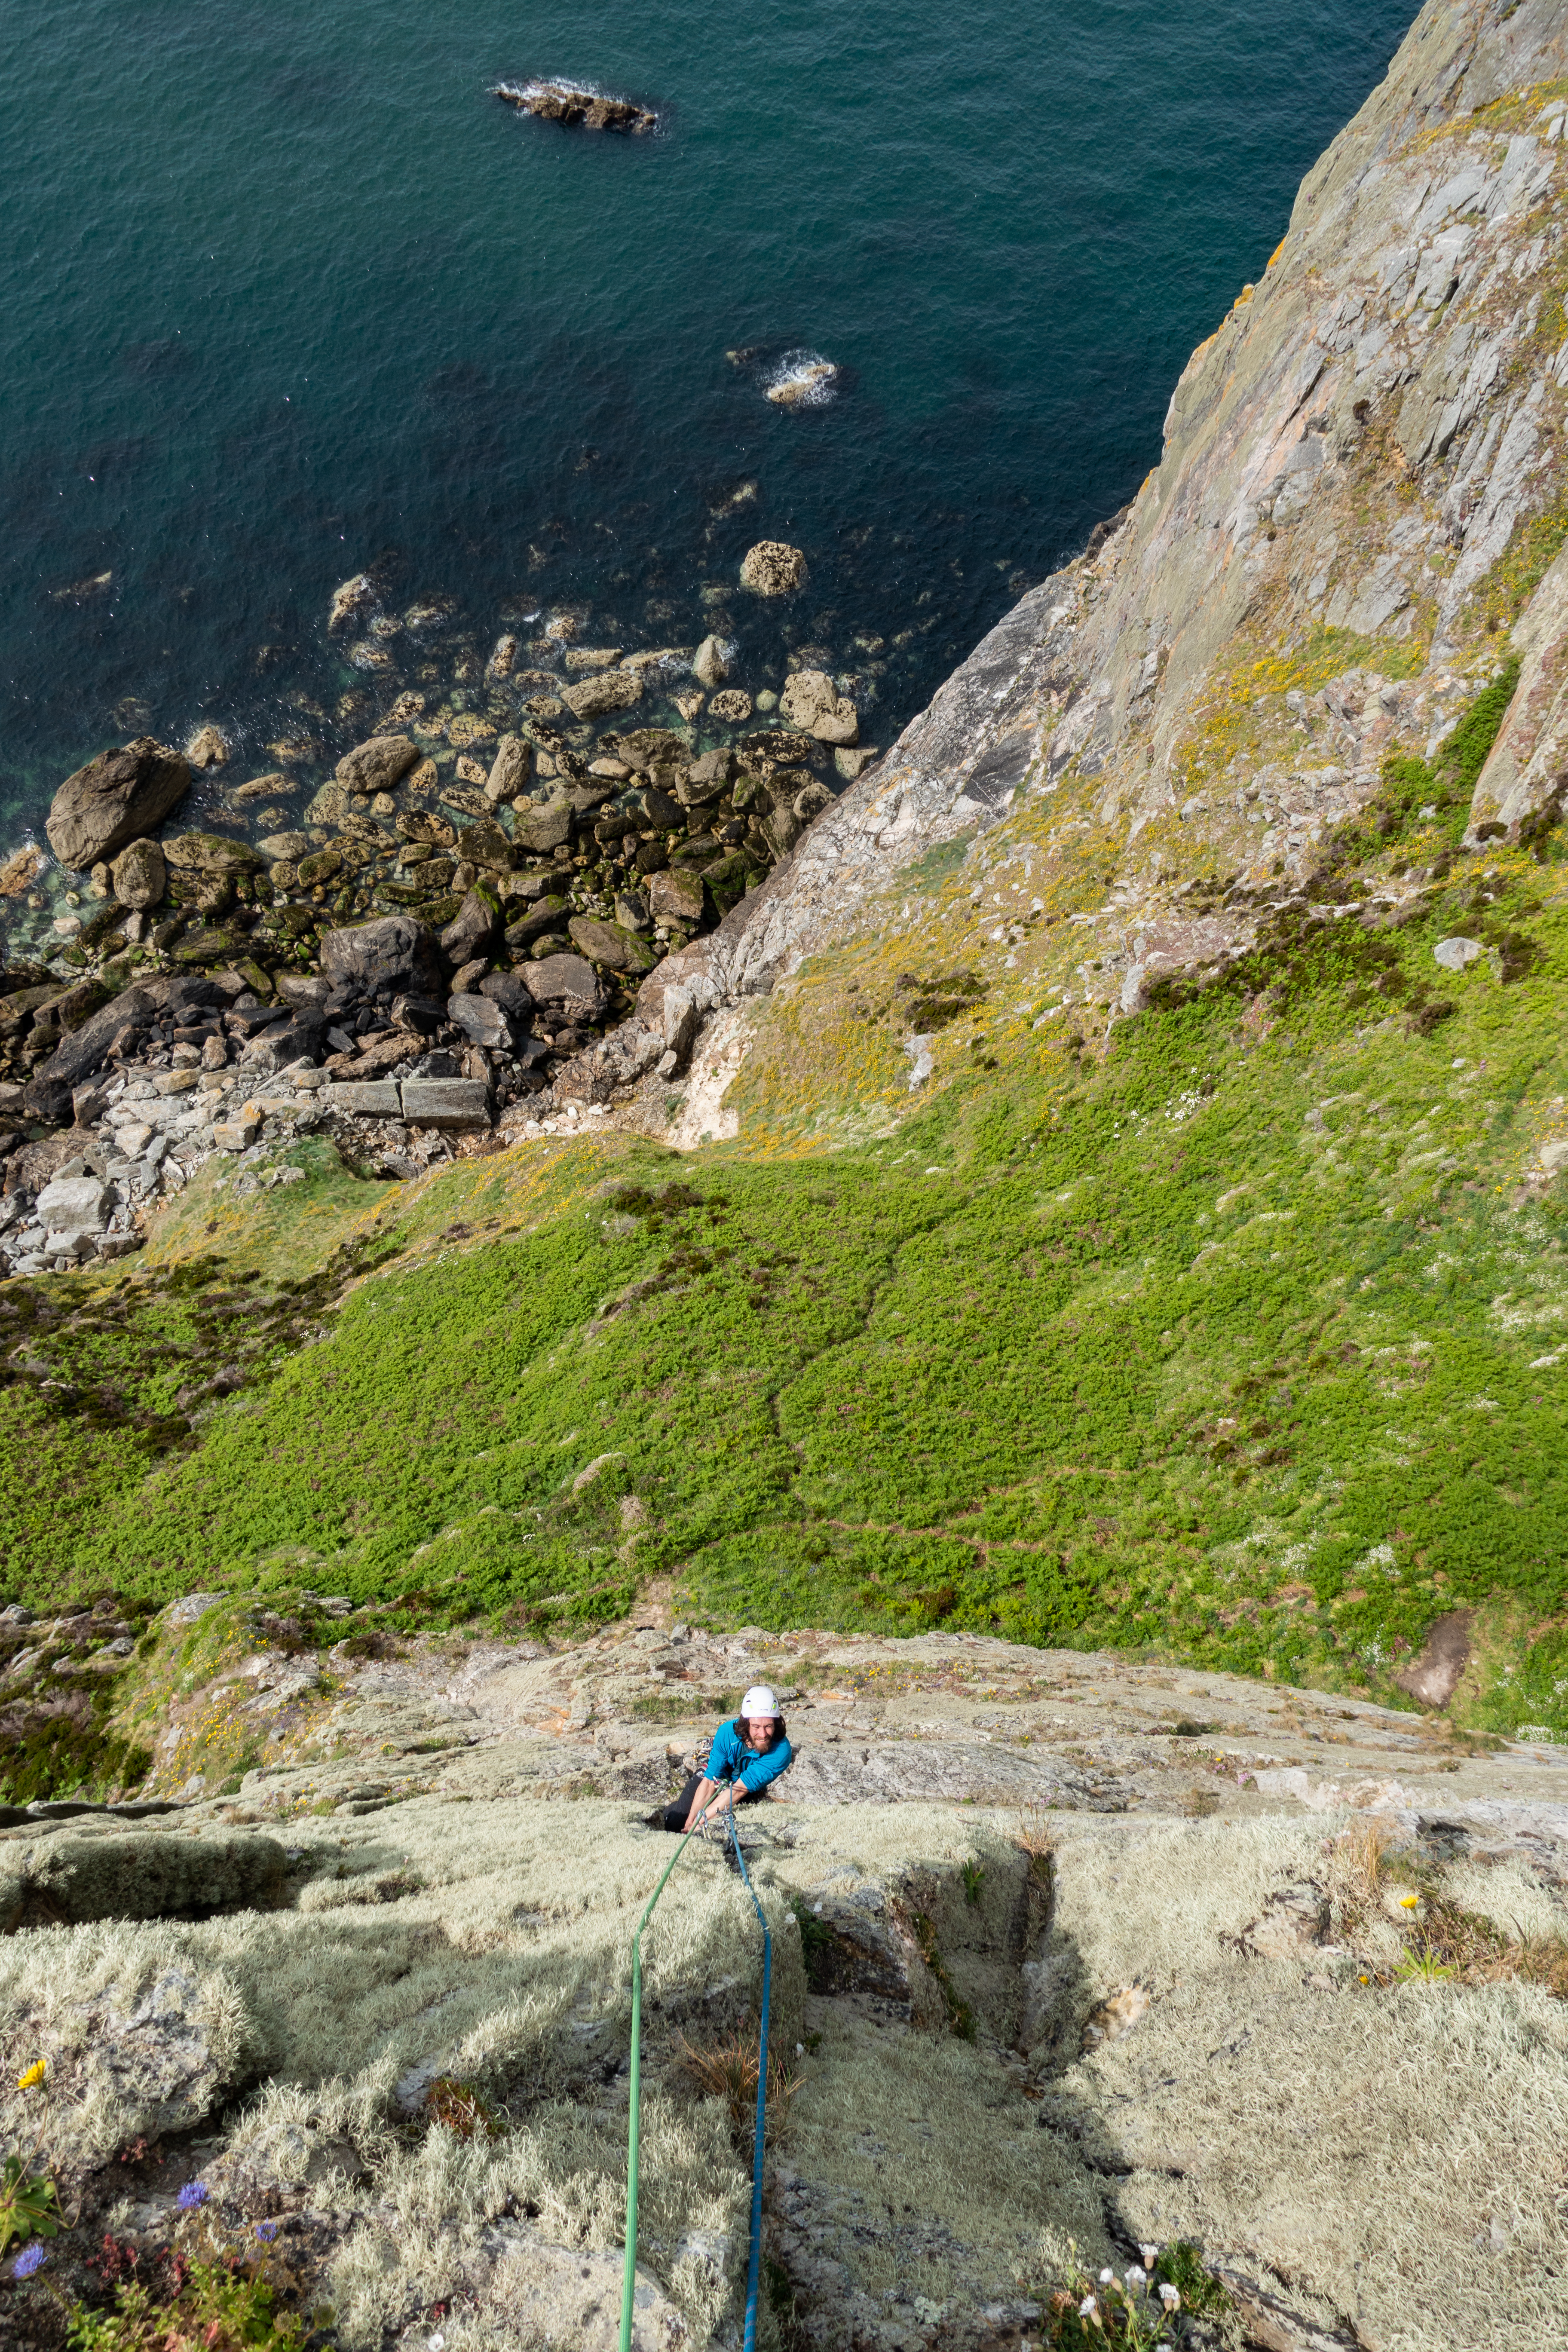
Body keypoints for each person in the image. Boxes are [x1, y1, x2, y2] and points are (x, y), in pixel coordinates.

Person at [660, 1686, 793, 1832]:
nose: (763, 1734)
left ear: (776, 1723)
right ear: (746, 1723)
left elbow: (739, 1790)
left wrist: (699, 1824)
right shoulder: (727, 1733)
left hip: (746, 1790)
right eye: (756, 1727)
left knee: (711, 1830)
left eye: (769, 1726)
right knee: (676, 1823)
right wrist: (691, 1822)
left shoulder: (781, 1751)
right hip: (718, 1776)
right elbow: (710, 1781)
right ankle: (669, 1811)